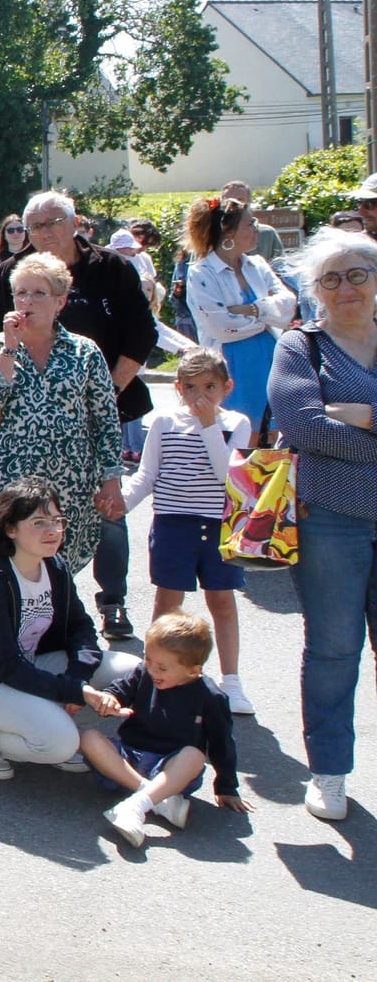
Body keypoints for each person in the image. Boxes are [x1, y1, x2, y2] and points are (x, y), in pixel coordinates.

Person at [0, 190, 156, 641]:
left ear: (74, 222)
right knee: (30, 527)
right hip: (26, 436)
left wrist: (100, 389)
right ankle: (39, 615)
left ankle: (112, 601)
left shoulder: (111, 269)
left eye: (53, 223)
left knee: (107, 514)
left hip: (103, 401)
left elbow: (142, 334)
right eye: (36, 226)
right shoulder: (10, 271)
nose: (45, 233)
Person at [266, 227, 377, 821]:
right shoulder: (300, 347)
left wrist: (364, 417)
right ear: (316, 291)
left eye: (358, 273)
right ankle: (329, 772)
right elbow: (305, 428)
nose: (346, 287)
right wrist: (335, 421)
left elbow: (326, 427)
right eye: (332, 278)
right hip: (330, 519)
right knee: (335, 651)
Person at [0, 478, 139, 781]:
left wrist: (77, 677)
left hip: (30, 665)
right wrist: (75, 691)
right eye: (39, 522)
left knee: (132, 669)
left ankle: (40, 717)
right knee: (61, 743)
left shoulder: (53, 565)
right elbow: (6, 666)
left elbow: (80, 626)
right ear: (10, 529)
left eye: (57, 520)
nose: (53, 531)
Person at [0, 252, 126, 586]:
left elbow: (105, 420)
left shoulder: (84, 351)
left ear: (60, 301)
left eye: (38, 293)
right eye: (21, 293)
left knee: (60, 571)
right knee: (13, 569)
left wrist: (111, 478)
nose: (27, 301)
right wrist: (9, 349)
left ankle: (61, 632)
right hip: (12, 481)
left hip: (70, 483)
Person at [117, 349, 256, 719]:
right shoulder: (164, 421)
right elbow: (146, 475)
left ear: (227, 387)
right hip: (172, 524)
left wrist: (210, 425)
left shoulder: (236, 423)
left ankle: (231, 679)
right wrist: (122, 504)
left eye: (210, 386)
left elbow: (226, 475)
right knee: (167, 604)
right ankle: (155, 674)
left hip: (217, 526)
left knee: (222, 602)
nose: (200, 396)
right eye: (191, 387)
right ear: (178, 388)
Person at [79, 612, 250, 847]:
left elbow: (222, 742)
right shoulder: (144, 672)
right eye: (148, 659)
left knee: (194, 756)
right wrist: (109, 698)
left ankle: (135, 805)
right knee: (89, 737)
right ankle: (154, 799)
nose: (152, 670)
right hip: (128, 759)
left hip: (171, 769)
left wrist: (226, 785)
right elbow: (121, 688)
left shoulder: (211, 697)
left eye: (162, 667)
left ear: (193, 670)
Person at [184, 194, 295, 445]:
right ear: (228, 231)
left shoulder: (257, 265)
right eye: (249, 223)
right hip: (232, 365)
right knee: (243, 441)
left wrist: (251, 309)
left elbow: (288, 307)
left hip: (270, 359)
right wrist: (268, 316)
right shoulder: (202, 272)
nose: (256, 229)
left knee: (273, 439)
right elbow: (222, 328)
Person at [220, 179, 284, 263]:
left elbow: (280, 267)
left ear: (249, 203)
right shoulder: (213, 235)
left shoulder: (267, 234)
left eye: (240, 200)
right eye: (228, 201)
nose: (233, 206)